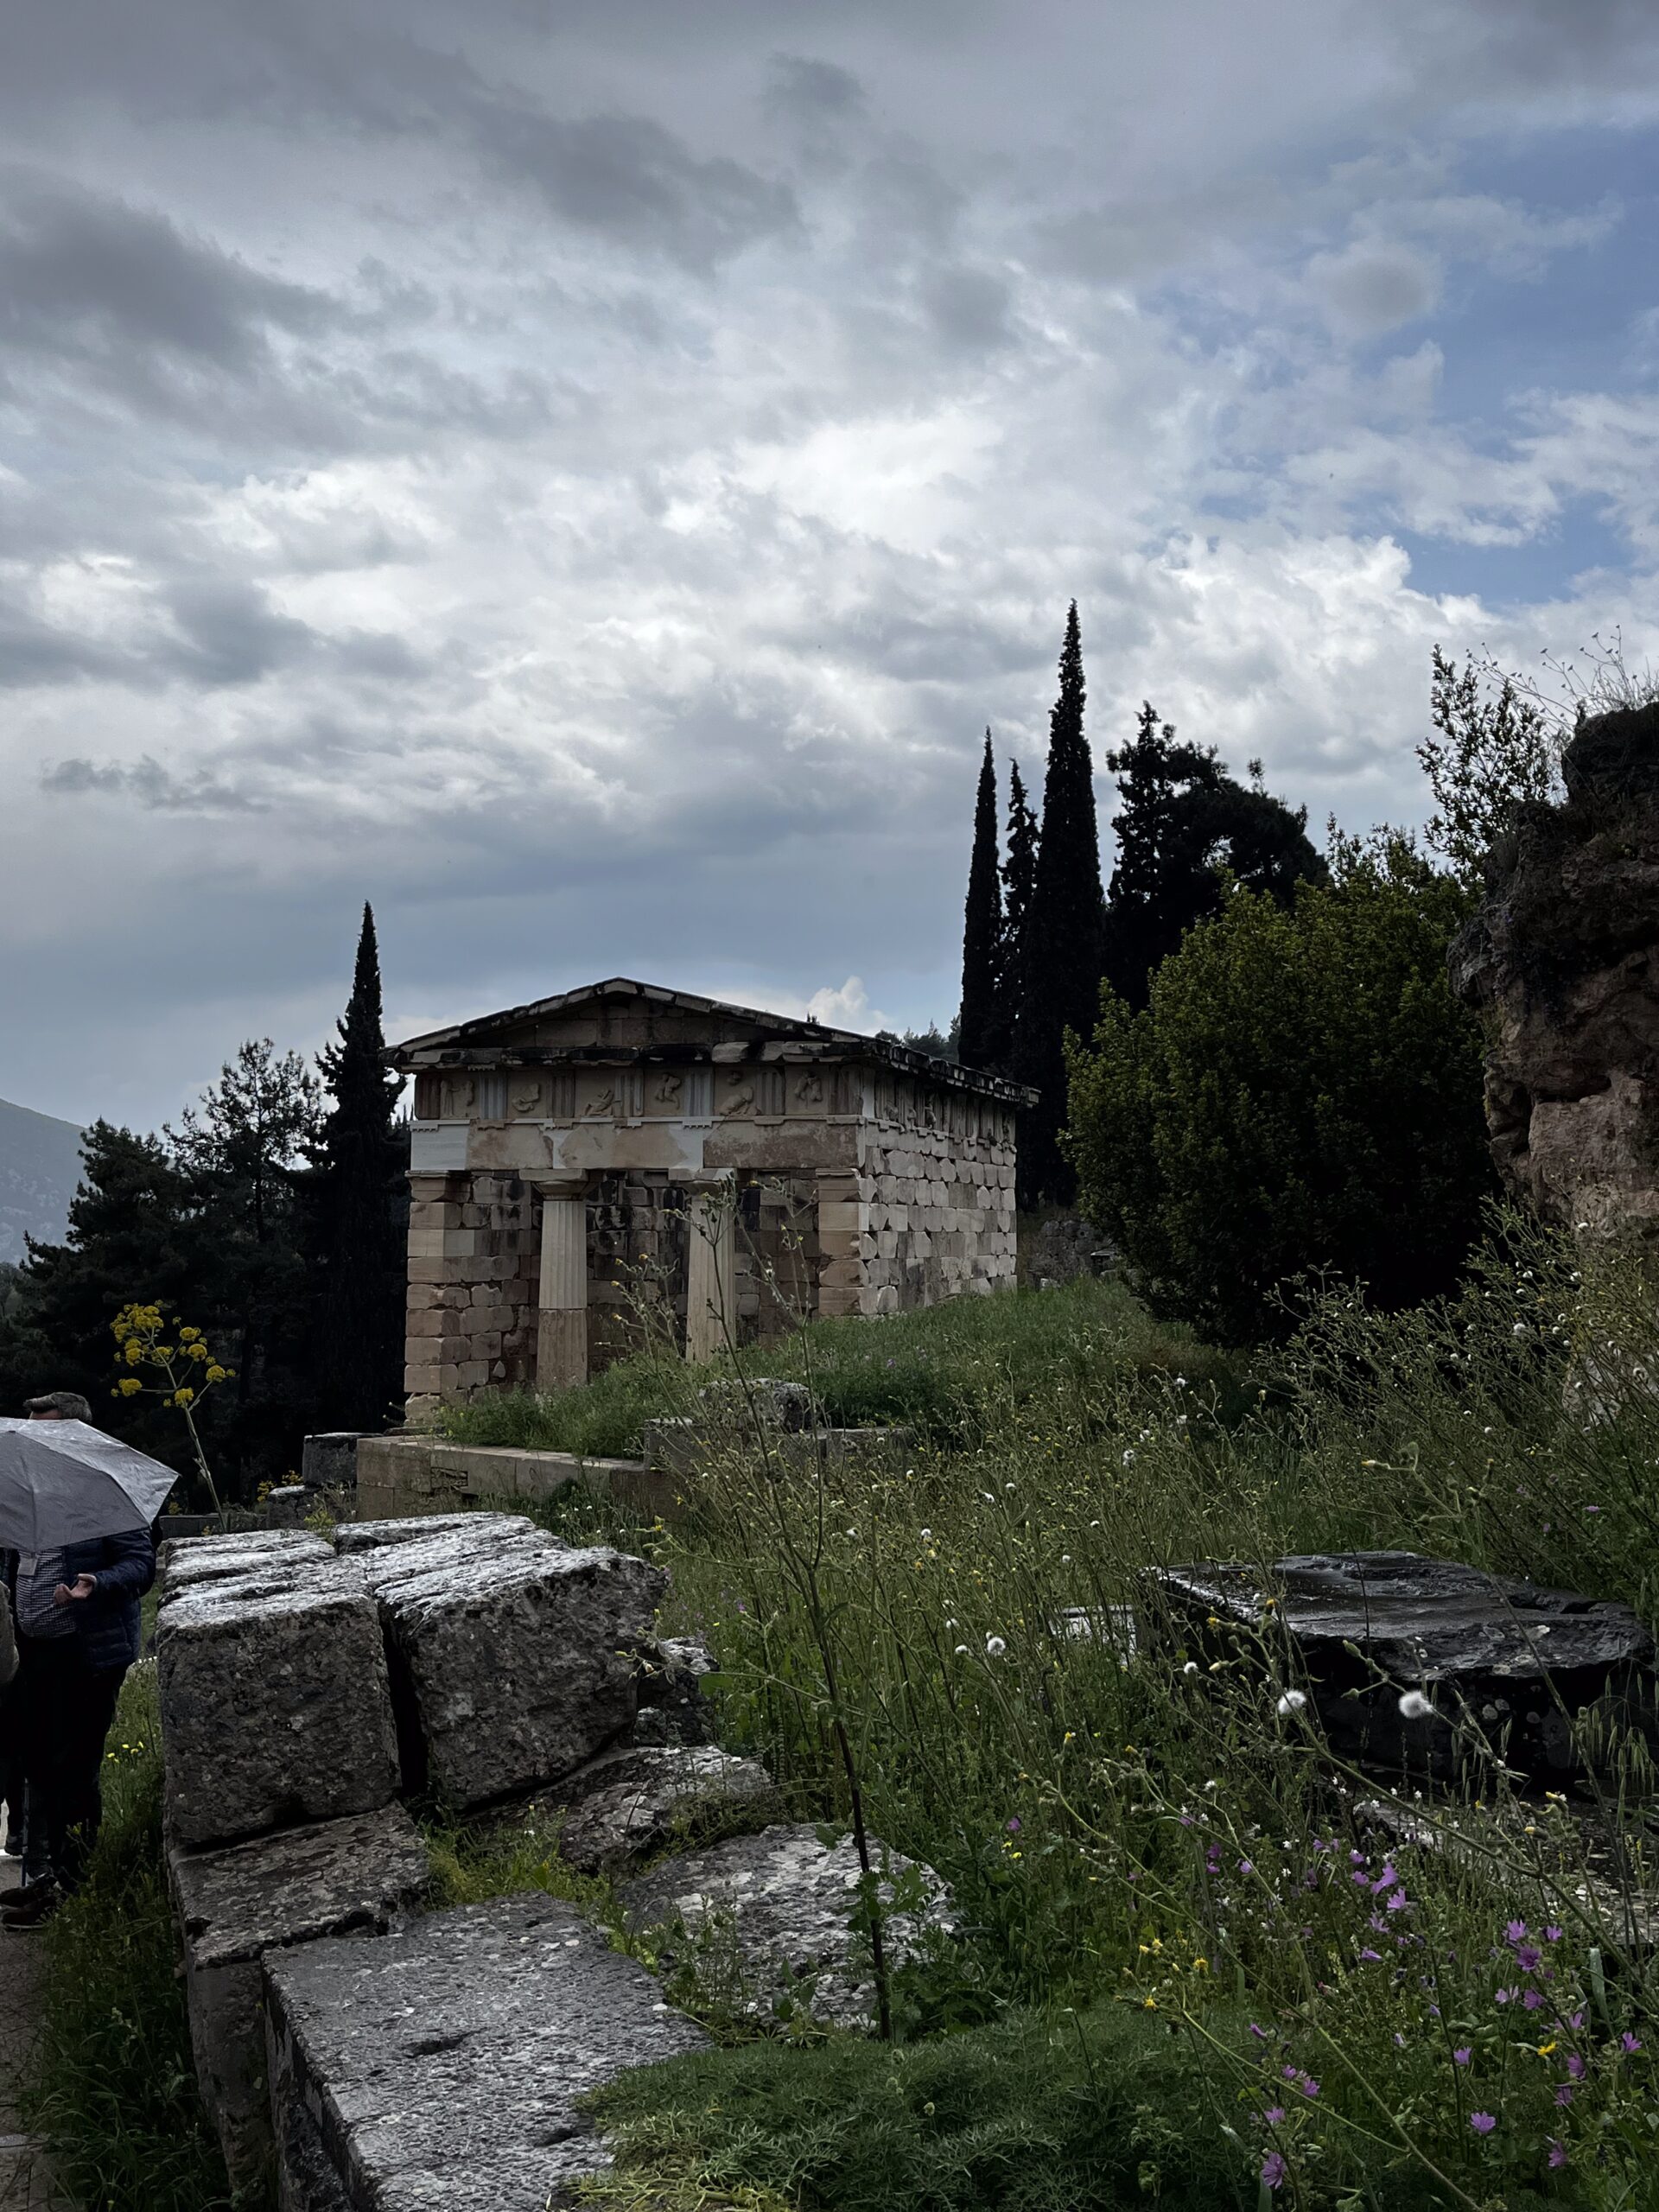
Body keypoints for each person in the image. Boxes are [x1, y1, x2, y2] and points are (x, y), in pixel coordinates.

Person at [1, 1389, 156, 1929]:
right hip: (36, 1652)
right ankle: (50, 1876)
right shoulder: (26, 1494)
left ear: (74, 1435)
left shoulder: (103, 1493)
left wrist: (98, 1583)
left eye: (43, 1430)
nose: (31, 1439)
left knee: (74, 1768)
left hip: (87, 1655)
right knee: (34, 1760)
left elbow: (140, 1565)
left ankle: (75, 1890)